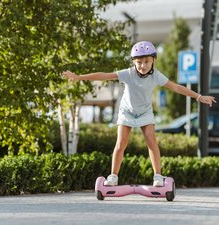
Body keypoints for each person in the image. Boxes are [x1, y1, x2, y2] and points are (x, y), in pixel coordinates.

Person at [62, 41, 216, 187]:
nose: (143, 66)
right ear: (134, 62)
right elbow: (104, 75)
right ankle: (113, 176)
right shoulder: (128, 73)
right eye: (139, 62)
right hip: (127, 111)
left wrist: (198, 96)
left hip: (145, 112)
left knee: (151, 141)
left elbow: (175, 87)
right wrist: (79, 77)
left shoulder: (156, 75)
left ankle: (157, 176)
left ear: (153, 61)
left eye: (146, 62)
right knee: (121, 143)